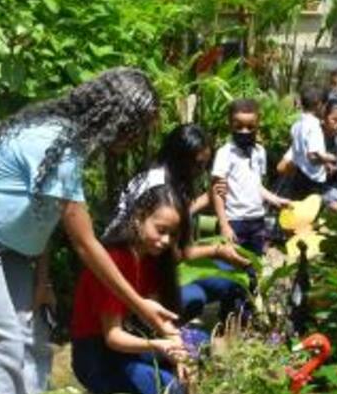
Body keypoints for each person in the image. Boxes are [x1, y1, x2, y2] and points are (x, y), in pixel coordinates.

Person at [0, 68, 177, 394]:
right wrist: (140, 306)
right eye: (137, 126)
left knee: (32, 331)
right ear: (115, 116)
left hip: (8, 243)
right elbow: (85, 244)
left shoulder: (70, 143)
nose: (137, 138)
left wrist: (41, 283)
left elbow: (43, 216)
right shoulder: (55, 144)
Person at [71, 185, 197, 394]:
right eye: (160, 230)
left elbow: (161, 320)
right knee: (174, 392)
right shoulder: (115, 259)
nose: (165, 241)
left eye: (173, 234)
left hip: (126, 346)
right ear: (139, 217)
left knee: (198, 345)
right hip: (97, 355)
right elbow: (113, 336)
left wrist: (180, 349)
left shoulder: (151, 259)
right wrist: (158, 346)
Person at [101, 124, 250, 320]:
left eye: (205, 165)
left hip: (150, 264)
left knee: (226, 280)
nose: (201, 171)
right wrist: (217, 251)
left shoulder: (160, 177)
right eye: (197, 165)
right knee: (196, 296)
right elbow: (175, 252)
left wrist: (210, 196)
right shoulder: (160, 188)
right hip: (132, 273)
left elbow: (180, 216)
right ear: (180, 159)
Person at [210, 99, 289, 310]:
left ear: (258, 125)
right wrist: (224, 224)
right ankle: (228, 318)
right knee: (231, 272)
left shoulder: (260, 152)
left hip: (257, 221)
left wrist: (274, 199)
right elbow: (217, 191)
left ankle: (247, 315)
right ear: (230, 125)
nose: (244, 131)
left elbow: (257, 186)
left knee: (253, 270)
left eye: (250, 127)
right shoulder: (225, 153)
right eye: (239, 126)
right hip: (234, 221)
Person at [287, 88, 337, 200]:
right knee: (310, 214)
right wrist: (331, 158)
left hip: (298, 175)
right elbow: (312, 157)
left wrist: (325, 164)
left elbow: (303, 153)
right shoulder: (314, 126)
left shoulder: (297, 124)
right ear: (319, 104)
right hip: (312, 181)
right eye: (325, 105)